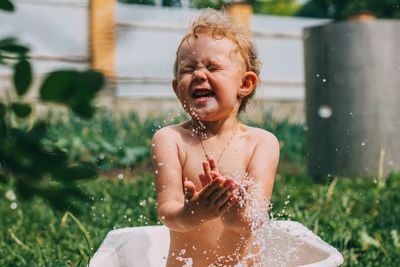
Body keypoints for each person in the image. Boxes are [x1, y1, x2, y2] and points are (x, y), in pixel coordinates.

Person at [152, 9, 280, 267]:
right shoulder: (171, 139)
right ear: (177, 89)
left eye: (212, 67)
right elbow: (167, 213)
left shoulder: (261, 143)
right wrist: (192, 213)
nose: (198, 75)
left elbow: (255, 218)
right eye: (188, 69)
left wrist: (235, 212)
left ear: (245, 84)